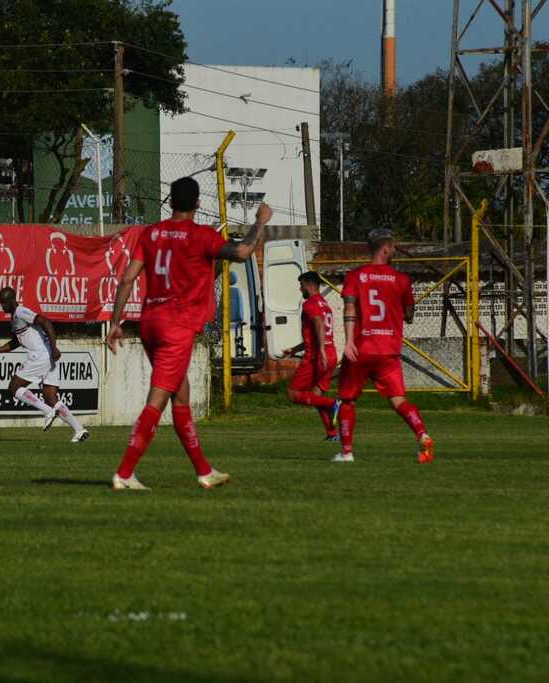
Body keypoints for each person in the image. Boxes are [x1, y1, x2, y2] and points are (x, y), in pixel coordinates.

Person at [106, 176, 271, 490]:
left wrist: (116, 322)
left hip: (151, 322)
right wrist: (259, 222)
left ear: (170, 201)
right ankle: (124, 473)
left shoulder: (151, 233)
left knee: (180, 395)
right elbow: (242, 252)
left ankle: (204, 471)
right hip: (177, 325)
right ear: (197, 203)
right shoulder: (201, 236)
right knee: (157, 400)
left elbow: (127, 279)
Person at [335, 228, 433, 463]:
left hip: (361, 348)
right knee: (399, 400)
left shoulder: (355, 276)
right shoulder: (402, 280)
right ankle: (422, 433)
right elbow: (409, 314)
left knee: (347, 400)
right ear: (386, 249)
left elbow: (349, 307)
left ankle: (347, 453)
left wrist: (348, 342)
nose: (395, 249)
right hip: (389, 351)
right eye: (393, 245)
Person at [0, 287, 90, 443]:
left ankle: (47, 411)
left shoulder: (21, 312)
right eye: (1, 303)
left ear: (12, 300)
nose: (2, 306)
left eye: (4, 303)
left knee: (14, 387)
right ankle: (79, 430)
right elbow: (16, 342)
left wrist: (54, 347)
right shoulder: (14, 318)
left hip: (40, 356)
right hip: (47, 356)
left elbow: (45, 322)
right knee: (51, 398)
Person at [283, 271, 340, 441]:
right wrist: (294, 349)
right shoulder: (325, 304)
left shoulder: (310, 304)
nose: (300, 289)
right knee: (316, 396)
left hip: (317, 357)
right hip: (331, 354)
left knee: (293, 393)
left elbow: (319, 323)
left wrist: (320, 350)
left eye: (301, 285)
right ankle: (332, 434)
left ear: (309, 285)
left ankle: (334, 404)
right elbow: (316, 331)